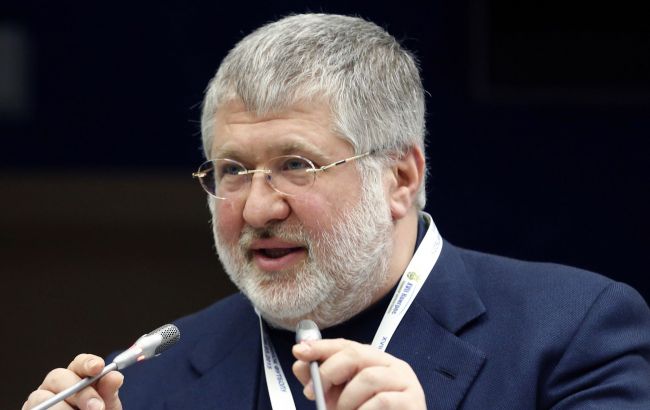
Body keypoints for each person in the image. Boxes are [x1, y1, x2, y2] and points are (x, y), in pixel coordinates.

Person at [24, 13, 650, 410]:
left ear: (400, 178)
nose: (258, 207)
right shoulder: (146, 387)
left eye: (296, 164)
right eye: (233, 170)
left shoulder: (573, 334)